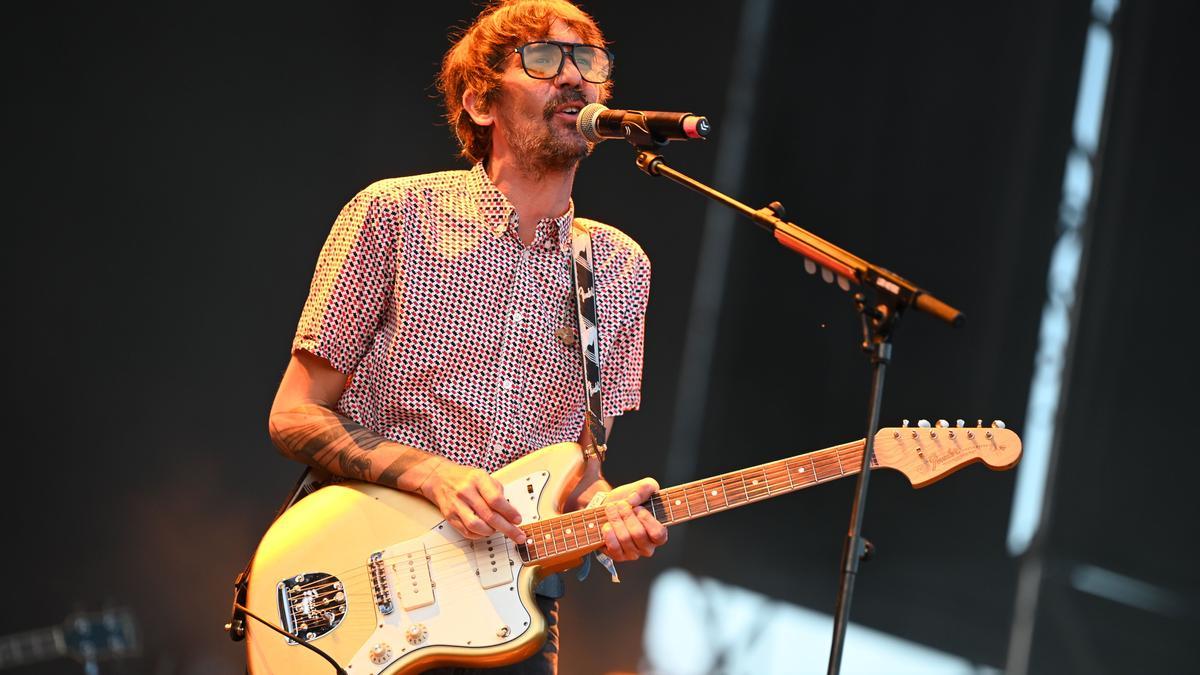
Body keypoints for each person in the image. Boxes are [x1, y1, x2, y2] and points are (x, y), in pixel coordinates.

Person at [266, 1, 667, 672]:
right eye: (543, 59)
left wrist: (608, 511)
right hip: (368, 588)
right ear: (481, 102)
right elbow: (293, 413)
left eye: (589, 62)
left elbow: (581, 472)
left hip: (512, 616)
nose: (573, 78)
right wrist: (432, 473)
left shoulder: (621, 269)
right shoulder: (393, 215)